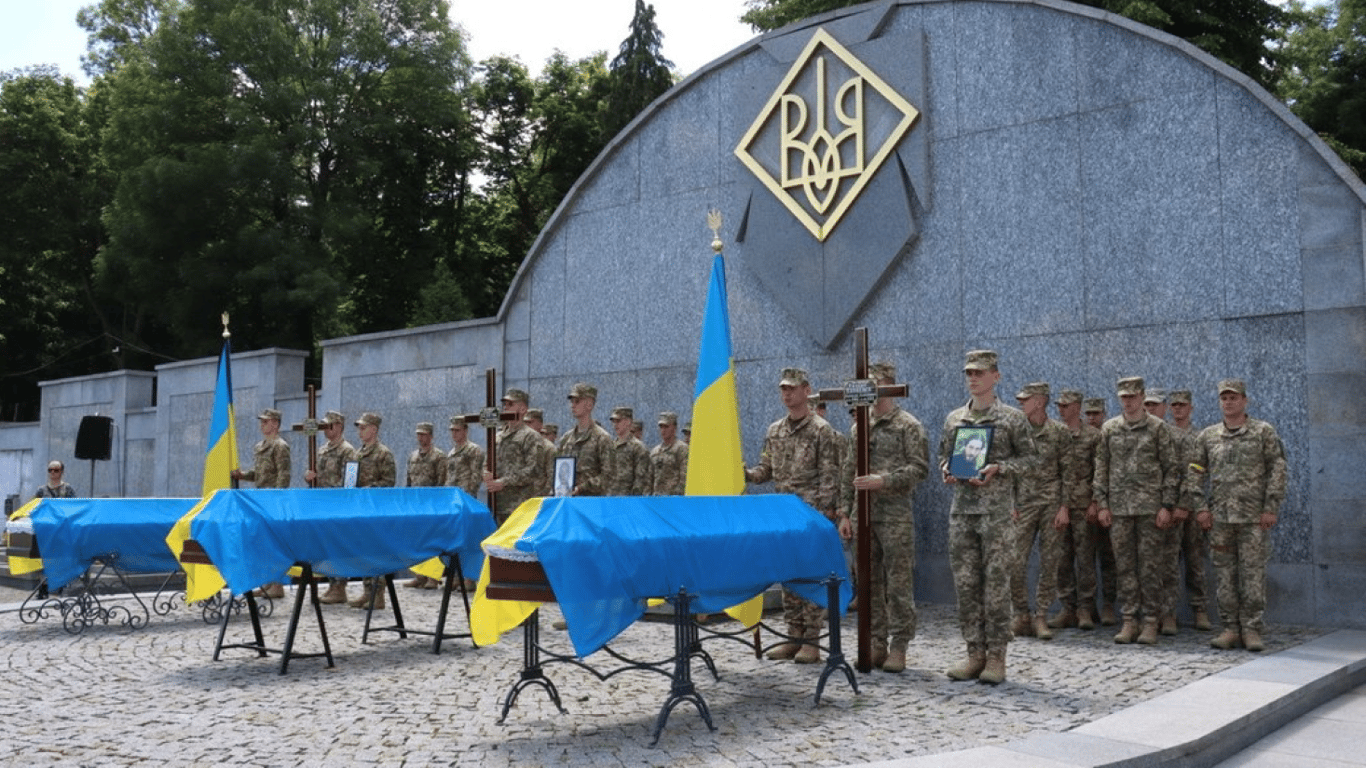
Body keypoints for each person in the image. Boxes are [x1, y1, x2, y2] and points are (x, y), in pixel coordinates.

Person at [938, 350, 1037, 685]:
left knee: (996, 585)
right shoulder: (955, 419)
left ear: (996, 376)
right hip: (963, 511)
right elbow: (943, 455)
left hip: (995, 513)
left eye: (980, 373)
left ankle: (997, 656)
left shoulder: (1011, 418)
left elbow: (1031, 461)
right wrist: (947, 470)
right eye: (969, 373)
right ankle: (974, 653)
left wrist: (1000, 468)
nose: (973, 378)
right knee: (966, 585)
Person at [837, 361, 928, 672]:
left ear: (888, 386)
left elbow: (920, 468)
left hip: (895, 516)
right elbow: (848, 472)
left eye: (875, 385)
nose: (870, 392)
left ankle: (900, 645)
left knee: (898, 583)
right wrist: (845, 513)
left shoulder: (908, 425)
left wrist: (883, 480)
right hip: (863, 516)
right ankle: (876, 641)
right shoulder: (857, 427)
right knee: (868, 582)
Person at [746, 367, 841, 665]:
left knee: (810, 578)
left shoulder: (821, 430)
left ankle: (811, 639)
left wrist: (825, 515)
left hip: (810, 517)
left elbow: (830, 475)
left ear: (806, 390)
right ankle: (793, 635)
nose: (787, 394)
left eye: (793, 388)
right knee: (788, 578)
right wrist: (745, 473)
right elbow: (766, 470)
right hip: (783, 517)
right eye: (783, 389)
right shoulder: (775, 430)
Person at [1185, 379, 1286, 653]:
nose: (1228, 402)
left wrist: (1270, 507)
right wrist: (1201, 508)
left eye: (1233, 397)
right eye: (1224, 398)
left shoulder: (1263, 432)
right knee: (1225, 575)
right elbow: (1194, 472)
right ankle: (1230, 627)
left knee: (1252, 574)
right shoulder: (1208, 436)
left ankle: (1251, 628)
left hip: (1253, 518)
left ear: (1244, 401)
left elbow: (1277, 469)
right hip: (1220, 519)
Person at [1093, 377, 1181, 645]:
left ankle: (1151, 620)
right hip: (1119, 509)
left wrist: (1167, 505)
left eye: (1132, 396)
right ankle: (1129, 620)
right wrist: (1102, 503)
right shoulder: (1110, 429)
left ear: (1142, 396)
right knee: (1125, 567)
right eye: (1123, 397)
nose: (1128, 401)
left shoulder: (1158, 429)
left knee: (1150, 567)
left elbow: (1172, 469)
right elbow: (1101, 467)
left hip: (1150, 509)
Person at [1008, 382, 1069, 641]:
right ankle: (1021, 614)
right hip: (1023, 505)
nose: (1021, 403)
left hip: (1051, 504)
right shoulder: (1015, 431)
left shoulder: (1059, 432)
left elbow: (1069, 471)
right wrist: (1010, 503)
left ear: (1040, 401)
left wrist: (1064, 507)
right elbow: (1008, 469)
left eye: (1026, 399)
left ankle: (1041, 615)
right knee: (1014, 560)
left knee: (1050, 561)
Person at [1049, 390, 1103, 631]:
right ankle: (1067, 608)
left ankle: (1085, 608)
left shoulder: (1093, 436)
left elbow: (1100, 471)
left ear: (1077, 407)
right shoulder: (1054, 434)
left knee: (1085, 559)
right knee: (1061, 558)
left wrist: (1096, 502)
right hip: (1058, 506)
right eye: (1059, 405)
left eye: (1066, 405)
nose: (1061, 409)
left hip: (1083, 506)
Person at [232, 408, 292, 599]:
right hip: (260, 500)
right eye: (262, 422)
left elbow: (284, 474)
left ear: (275, 424)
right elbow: (260, 474)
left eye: (266, 422)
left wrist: (277, 498)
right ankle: (268, 582)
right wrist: (243, 475)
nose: (262, 425)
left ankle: (277, 584)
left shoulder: (280, 446)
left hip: (272, 501)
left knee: (274, 543)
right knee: (263, 543)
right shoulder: (261, 446)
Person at [304, 411, 358, 605]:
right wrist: (309, 476)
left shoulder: (348, 450)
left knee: (339, 546)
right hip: (322, 505)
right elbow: (316, 474)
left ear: (339, 427)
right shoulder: (322, 450)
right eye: (324, 426)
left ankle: (340, 586)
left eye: (329, 426)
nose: (326, 430)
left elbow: (350, 482)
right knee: (326, 546)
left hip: (338, 506)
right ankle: (331, 583)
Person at [1169, 389, 1212, 631]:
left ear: (1191, 408)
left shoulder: (1201, 436)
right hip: (1169, 508)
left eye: (1182, 405)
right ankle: (1170, 612)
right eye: (1174, 405)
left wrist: (1186, 504)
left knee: (1195, 561)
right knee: (1169, 563)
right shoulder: (1163, 434)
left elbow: (1199, 474)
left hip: (1193, 510)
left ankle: (1200, 609)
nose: (1178, 409)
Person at [348, 412, 397, 609]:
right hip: (360, 509)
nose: (360, 431)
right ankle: (367, 591)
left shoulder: (383, 453)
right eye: (359, 427)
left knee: (376, 550)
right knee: (363, 550)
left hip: (375, 510)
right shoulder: (357, 453)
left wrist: (367, 490)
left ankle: (379, 594)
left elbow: (388, 482)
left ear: (374, 429)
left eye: (363, 427)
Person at [484, 389, 552, 525]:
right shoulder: (497, 436)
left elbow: (533, 471)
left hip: (520, 506)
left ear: (522, 409)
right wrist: (485, 473)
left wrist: (503, 482)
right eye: (505, 404)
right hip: (497, 504)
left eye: (510, 404)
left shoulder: (531, 437)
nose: (505, 407)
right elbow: (487, 463)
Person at [1083, 396, 1119, 624]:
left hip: (1108, 505)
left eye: (1096, 414)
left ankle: (1108, 605)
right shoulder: (1078, 438)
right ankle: (1085, 608)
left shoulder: (1110, 436)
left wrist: (1100, 503)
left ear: (1104, 414)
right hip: (1081, 508)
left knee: (1109, 558)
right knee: (1084, 559)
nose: (1092, 418)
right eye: (1089, 414)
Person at [404, 422, 447, 589]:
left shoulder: (438, 456)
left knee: (433, 541)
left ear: (431, 436)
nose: (421, 438)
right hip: (415, 506)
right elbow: (409, 480)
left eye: (424, 434)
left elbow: (442, 482)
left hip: (432, 506)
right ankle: (419, 575)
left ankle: (433, 577)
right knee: (417, 542)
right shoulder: (413, 456)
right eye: (418, 434)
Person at [556, 383, 615, 497]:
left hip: (591, 504)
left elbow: (609, 476)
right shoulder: (566, 439)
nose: (572, 405)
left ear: (589, 404)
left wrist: (583, 487)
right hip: (569, 501)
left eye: (577, 401)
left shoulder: (602, 438)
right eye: (571, 402)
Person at [608, 407, 652, 496]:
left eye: (618, 421)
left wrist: (632, 502)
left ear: (628, 422)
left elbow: (641, 480)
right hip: (610, 501)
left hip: (628, 502)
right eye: (614, 422)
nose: (615, 425)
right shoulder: (610, 447)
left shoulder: (638, 448)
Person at [444, 415, 485, 498]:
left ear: (465, 431)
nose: (454, 433)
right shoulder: (451, 453)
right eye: (452, 430)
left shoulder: (473, 450)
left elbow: (476, 476)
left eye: (457, 430)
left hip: (465, 496)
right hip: (452, 495)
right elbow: (449, 475)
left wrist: (468, 494)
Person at [650, 411, 689, 496]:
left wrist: (676, 496)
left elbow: (684, 477)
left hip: (673, 500)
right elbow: (649, 479)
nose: (663, 431)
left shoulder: (681, 449)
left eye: (666, 427)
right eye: (661, 427)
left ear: (674, 428)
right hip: (656, 500)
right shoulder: (655, 452)